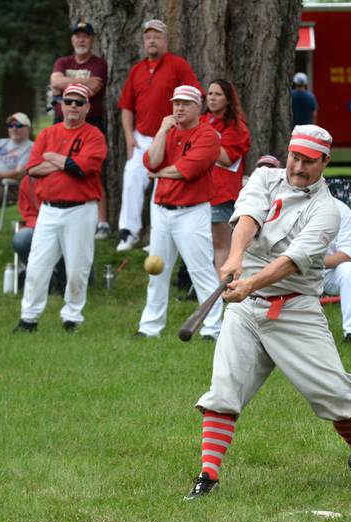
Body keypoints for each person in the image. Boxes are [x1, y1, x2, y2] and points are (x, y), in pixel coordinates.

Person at [184, 125, 351, 501]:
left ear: (325, 162)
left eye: (308, 161)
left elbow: (291, 262)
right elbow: (247, 217)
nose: (297, 167)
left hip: (294, 308)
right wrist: (234, 259)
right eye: (294, 157)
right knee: (224, 388)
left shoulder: (328, 210)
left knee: (335, 395)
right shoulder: (265, 176)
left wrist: (249, 283)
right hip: (247, 309)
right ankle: (208, 477)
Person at [13, 83, 107, 333]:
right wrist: (65, 162)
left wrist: (53, 158)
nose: (73, 106)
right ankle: (28, 319)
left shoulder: (94, 135)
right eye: (68, 101)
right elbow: (32, 169)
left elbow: (81, 168)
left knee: (77, 267)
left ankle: (72, 317)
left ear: (87, 107)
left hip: (81, 209)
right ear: (61, 105)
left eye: (79, 102)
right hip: (49, 209)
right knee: (36, 265)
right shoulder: (47, 134)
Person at [135, 85, 223, 339]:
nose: (179, 108)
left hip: (192, 211)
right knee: (157, 270)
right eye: (176, 103)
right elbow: (151, 160)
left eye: (186, 103)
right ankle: (149, 328)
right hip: (162, 209)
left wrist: (158, 174)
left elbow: (187, 170)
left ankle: (212, 328)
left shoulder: (207, 135)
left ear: (199, 107)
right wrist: (162, 130)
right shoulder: (168, 131)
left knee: (201, 271)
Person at [116, 19, 201, 252]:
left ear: (165, 40)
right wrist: (128, 137)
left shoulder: (178, 65)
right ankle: (129, 232)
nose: (152, 40)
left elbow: (195, 97)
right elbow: (126, 106)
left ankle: (157, 237)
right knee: (132, 181)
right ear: (144, 41)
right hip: (140, 138)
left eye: (157, 36)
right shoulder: (137, 70)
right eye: (148, 37)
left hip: (169, 138)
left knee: (161, 186)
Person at [50, 20, 110, 239]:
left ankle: (102, 221)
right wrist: (79, 82)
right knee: (58, 165)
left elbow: (93, 88)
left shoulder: (99, 64)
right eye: (77, 35)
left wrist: (64, 83)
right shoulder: (62, 61)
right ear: (72, 39)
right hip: (60, 123)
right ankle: (58, 211)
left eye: (85, 35)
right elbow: (54, 80)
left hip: (90, 123)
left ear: (92, 39)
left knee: (93, 170)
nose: (81, 39)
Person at [202, 79, 251, 271]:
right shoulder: (203, 121)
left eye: (218, 94)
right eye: (210, 94)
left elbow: (226, 158)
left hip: (221, 193)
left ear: (228, 100)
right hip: (199, 192)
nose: (212, 98)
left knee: (221, 244)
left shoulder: (237, 127)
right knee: (204, 243)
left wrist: (204, 138)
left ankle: (221, 289)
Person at [323, 198, 351, 343]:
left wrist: (313, 263)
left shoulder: (342, 210)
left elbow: (348, 254)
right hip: (291, 270)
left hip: (327, 272)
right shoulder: (287, 205)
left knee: (350, 269)